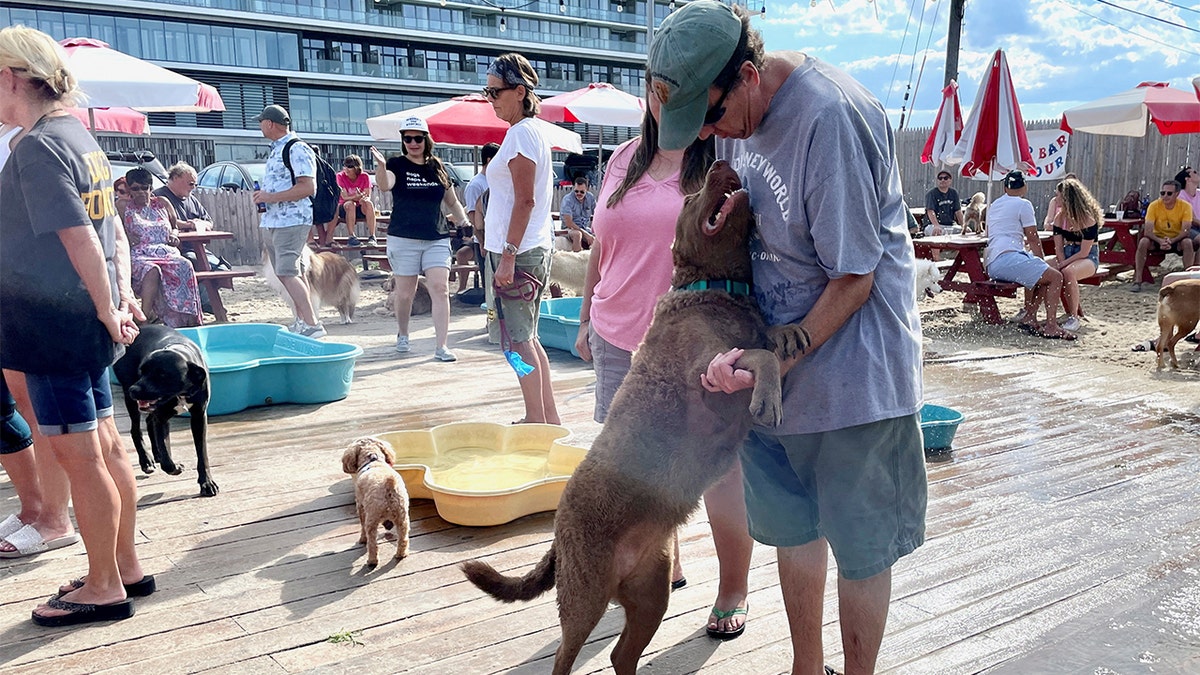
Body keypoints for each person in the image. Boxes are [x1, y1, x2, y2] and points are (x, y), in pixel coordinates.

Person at [648, 4, 926, 671]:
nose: (711, 135)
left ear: (747, 74)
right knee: (794, 530)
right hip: (774, 387)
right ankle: (807, 666)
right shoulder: (738, 113)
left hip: (857, 384)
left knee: (861, 546)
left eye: (711, 117)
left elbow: (855, 278)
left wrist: (773, 356)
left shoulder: (829, 117)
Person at [572, 92, 754, 639]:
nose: (668, 97)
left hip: (694, 342)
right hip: (618, 331)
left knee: (720, 473)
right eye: (660, 85)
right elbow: (601, 249)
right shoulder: (624, 157)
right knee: (636, 466)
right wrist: (584, 317)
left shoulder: (722, 159)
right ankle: (661, 563)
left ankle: (732, 590)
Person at [0, 24, 149, 626]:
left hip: (52, 327)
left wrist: (110, 304)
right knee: (107, 450)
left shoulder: (35, 145)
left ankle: (103, 585)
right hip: (82, 322)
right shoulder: (78, 136)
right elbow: (111, 231)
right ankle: (126, 568)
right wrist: (117, 300)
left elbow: (81, 234)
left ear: (10, 77)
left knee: (81, 458)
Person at [482, 52, 560, 425]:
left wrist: (508, 255)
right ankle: (547, 418)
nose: (490, 99)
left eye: (495, 92)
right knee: (528, 337)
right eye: (487, 92)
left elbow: (525, 200)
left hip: (519, 252)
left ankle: (535, 420)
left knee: (518, 340)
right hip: (529, 248)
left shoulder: (521, 135)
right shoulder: (529, 133)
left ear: (518, 91)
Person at [368, 116, 468, 362]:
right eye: (407, 138)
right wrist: (381, 167)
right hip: (404, 237)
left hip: (436, 236)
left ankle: (441, 346)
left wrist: (465, 222)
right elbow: (384, 185)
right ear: (403, 141)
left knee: (441, 289)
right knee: (405, 293)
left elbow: (452, 200)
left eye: (417, 138)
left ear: (426, 139)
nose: (413, 143)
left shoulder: (437, 166)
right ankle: (403, 334)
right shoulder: (396, 164)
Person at [250, 104, 326, 338]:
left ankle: (312, 323)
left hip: (290, 220)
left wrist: (270, 197)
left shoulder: (296, 148)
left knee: (286, 272)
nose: (260, 126)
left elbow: (307, 186)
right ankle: (304, 320)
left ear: (270, 123)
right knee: (295, 272)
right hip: (277, 219)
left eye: (262, 121)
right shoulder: (279, 149)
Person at [985, 171, 1074, 339]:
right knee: (1054, 277)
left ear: (1005, 187)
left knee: (1041, 274)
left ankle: (1030, 316)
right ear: (1025, 186)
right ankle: (1051, 325)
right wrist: (1041, 262)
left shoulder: (995, 204)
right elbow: (1033, 238)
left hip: (992, 260)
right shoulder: (1023, 204)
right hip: (1007, 257)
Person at [122, 167, 203, 327]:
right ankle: (143, 318)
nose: (141, 192)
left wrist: (173, 234)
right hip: (140, 253)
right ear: (129, 190)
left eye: (144, 188)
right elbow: (115, 229)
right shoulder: (123, 206)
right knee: (151, 270)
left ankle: (189, 318)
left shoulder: (162, 203)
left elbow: (174, 226)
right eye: (136, 188)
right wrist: (127, 236)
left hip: (165, 251)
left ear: (150, 188)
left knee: (185, 265)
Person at [1048, 177, 1102, 332]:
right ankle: (1033, 311)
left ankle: (1074, 316)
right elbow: (1058, 247)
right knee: (1042, 267)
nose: (1055, 198)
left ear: (1066, 198)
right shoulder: (1060, 218)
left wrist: (1062, 264)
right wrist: (1061, 261)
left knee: (1068, 271)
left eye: (1058, 195)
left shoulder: (1087, 219)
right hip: (1067, 252)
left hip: (1087, 257)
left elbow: (1084, 252)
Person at [1133, 179, 1195, 292]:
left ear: (1177, 194)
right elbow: (1148, 231)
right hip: (1157, 238)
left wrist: (1172, 240)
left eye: (1169, 193)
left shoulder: (1185, 207)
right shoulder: (1154, 206)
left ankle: (1187, 280)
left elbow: (1186, 230)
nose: (1165, 196)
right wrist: (1160, 241)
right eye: (1162, 193)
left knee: (1188, 243)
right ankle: (1138, 280)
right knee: (1143, 242)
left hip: (1177, 239)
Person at [153, 162, 213, 233]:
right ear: (176, 178)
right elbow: (160, 221)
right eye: (191, 184)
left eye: (195, 185)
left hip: (194, 243)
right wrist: (189, 225)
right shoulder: (158, 197)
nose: (193, 187)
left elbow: (209, 222)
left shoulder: (192, 200)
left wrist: (201, 224)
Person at [332, 154, 377, 247]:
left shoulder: (365, 176)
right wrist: (355, 197)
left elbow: (367, 195)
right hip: (344, 207)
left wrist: (361, 199)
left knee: (368, 203)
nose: (346, 169)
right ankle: (351, 236)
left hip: (360, 206)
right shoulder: (340, 176)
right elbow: (344, 196)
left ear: (357, 168)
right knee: (350, 204)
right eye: (345, 166)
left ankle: (372, 236)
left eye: (350, 166)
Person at [559, 176, 597, 251]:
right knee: (577, 235)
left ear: (587, 189)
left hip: (585, 228)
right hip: (569, 229)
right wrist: (585, 234)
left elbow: (597, 215)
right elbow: (569, 223)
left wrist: (595, 231)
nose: (578, 193)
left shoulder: (590, 198)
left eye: (582, 192)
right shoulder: (568, 200)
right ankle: (577, 259)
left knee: (599, 238)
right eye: (576, 191)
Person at [924, 170, 964, 236]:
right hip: (932, 225)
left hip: (950, 226)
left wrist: (964, 226)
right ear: (937, 180)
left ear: (950, 180)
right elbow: (930, 211)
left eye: (945, 178)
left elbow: (958, 211)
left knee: (964, 232)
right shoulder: (931, 194)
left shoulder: (954, 193)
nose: (943, 180)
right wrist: (936, 225)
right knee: (935, 232)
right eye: (940, 178)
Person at [1172, 166, 1200, 250]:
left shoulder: (1198, 193)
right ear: (1187, 179)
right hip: (1185, 228)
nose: (1198, 172)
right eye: (1194, 172)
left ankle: (1196, 263)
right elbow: (1191, 219)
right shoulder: (1180, 196)